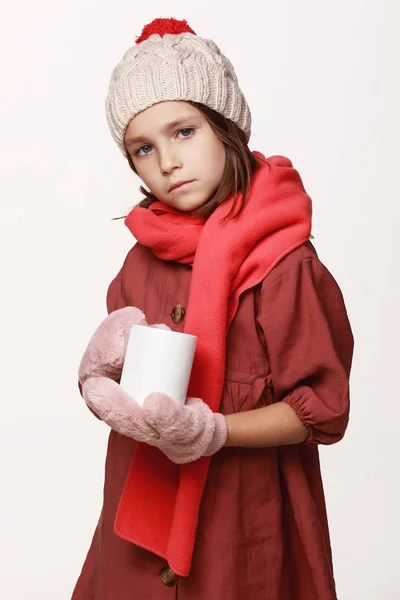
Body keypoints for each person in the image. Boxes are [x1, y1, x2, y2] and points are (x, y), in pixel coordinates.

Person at [71, 17, 354, 600]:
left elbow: (320, 412)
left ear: (224, 126)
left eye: (183, 132)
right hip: (137, 532)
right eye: (143, 148)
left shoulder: (285, 264)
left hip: (243, 528)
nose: (167, 162)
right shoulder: (139, 262)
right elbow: (127, 393)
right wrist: (98, 375)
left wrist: (213, 429)